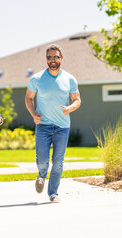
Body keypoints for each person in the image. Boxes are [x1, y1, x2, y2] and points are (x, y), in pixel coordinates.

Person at [25, 44, 81, 203]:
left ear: (61, 58)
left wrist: (69, 108)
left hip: (62, 127)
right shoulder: (37, 79)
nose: (53, 60)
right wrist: (34, 114)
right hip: (43, 126)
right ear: (46, 59)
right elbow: (28, 98)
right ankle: (41, 176)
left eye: (56, 57)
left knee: (58, 162)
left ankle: (53, 193)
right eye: (50, 57)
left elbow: (77, 100)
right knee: (42, 162)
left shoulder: (69, 79)